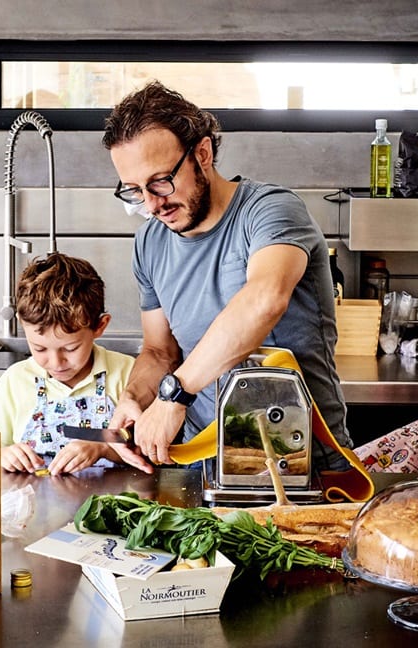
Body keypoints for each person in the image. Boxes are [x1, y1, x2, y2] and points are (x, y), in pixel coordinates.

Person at [101, 80, 352, 474]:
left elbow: (264, 299)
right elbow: (159, 352)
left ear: (202, 153)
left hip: (300, 464)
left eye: (161, 181)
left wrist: (174, 396)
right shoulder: (150, 242)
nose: (151, 205)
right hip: (202, 465)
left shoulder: (270, 211)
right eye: (135, 191)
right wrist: (135, 396)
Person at [0, 252, 135, 476]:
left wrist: (102, 448)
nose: (56, 362)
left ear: (100, 326)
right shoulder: (14, 382)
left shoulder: (126, 374)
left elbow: (143, 445)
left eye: (70, 349)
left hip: (115, 507)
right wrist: (2, 454)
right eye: (40, 348)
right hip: (33, 509)